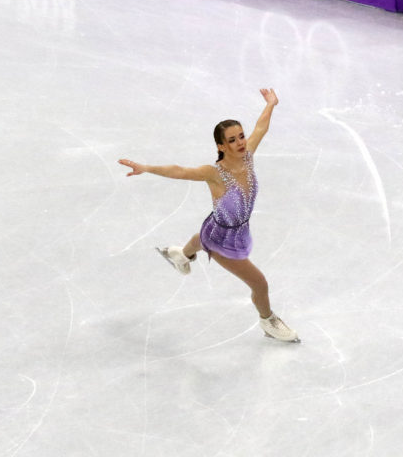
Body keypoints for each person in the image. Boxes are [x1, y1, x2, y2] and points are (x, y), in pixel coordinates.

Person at [118, 88, 298, 343]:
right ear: (221, 146)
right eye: (233, 140)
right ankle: (268, 321)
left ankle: (182, 254)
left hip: (223, 226)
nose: (241, 142)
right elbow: (179, 171)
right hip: (223, 241)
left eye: (241, 136)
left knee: (202, 237)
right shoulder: (213, 173)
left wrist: (271, 104)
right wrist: (146, 168)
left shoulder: (247, 159)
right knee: (260, 284)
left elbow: (260, 128)